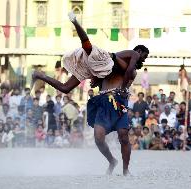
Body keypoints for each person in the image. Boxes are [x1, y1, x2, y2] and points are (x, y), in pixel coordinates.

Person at [32, 12, 148, 176]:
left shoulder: (129, 71)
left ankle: (125, 170)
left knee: (123, 136)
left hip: (119, 103)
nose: (143, 59)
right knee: (98, 138)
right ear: (138, 52)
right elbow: (120, 68)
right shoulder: (130, 55)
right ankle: (112, 161)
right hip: (105, 101)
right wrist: (101, 80)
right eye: (144, 55)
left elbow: (127, 72)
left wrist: (102, 81)